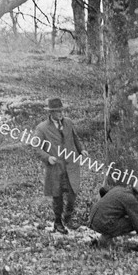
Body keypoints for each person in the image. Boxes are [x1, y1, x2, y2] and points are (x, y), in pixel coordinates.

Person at [33, 98, 88, 234]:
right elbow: (36, 147)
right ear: (51, 112)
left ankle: (68, 218)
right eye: (57, 111)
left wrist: (81, 150)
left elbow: (75, 138)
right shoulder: (42, 128)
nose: (60, 114)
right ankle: (58, 222)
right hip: (55, 167)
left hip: (71, 165)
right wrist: (47, 157)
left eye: (61, 110)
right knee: (57, 196)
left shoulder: (68, 123)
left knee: (72, 193)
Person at [88, 181, 138, 247]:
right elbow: (137, 224)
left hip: (93, 218)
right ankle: (104, 239)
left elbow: (103, 192)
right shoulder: (132, 200)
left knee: (126, 219)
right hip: (101, 223)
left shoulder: (118, 188)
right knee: (131, 223)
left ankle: (104, 239)